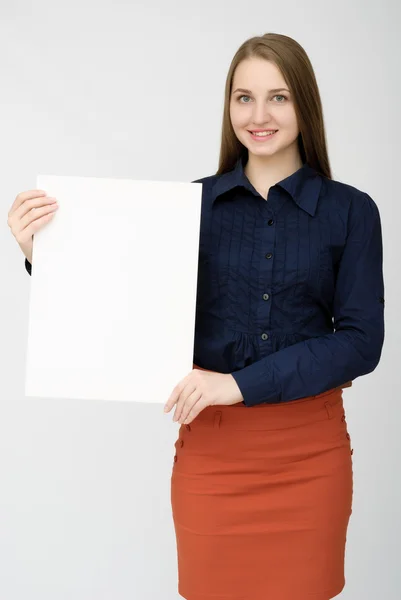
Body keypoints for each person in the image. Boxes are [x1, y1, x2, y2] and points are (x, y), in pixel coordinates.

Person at [8, 31, 384, 600]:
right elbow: (125, 313)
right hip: (213, 458)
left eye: (278, 97)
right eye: (243, 97)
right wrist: (45, 256)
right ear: (228, 105)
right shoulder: (187, 208)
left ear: (305, 103)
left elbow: (360, 343)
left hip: (312, 459)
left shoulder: (352, 212)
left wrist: (238, 384)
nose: (259, 115)